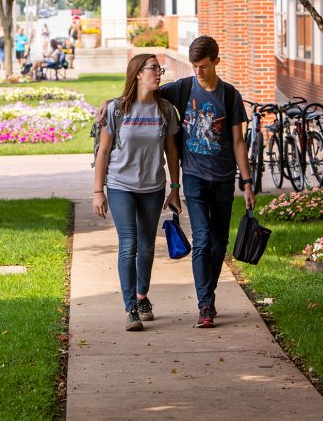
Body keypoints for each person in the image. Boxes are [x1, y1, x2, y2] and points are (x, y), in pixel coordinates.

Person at [95, 36, 255, 328]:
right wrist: (109, 103)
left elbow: (234, 142)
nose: (198, 72)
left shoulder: (223, 97)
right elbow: (132, 102)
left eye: (203, 66)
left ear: (216, 62)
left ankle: (183, 295)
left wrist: (245, 182)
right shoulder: (176, 91)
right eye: (194, 66)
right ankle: (199, 304)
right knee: (197, 239)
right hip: (168, 179)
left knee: (215, 244)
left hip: (205, 181)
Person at [93, 53, 181, 331]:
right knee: (129, 243)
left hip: (153, 187)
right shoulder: (116, 110)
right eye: (154, 68)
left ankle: (142, 296)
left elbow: (172, 152)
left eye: (160, 68)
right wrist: (98, 191)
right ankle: (130, 306)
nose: (159, 73)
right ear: (138, 73)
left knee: (146, 245)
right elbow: (103, 151)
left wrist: (175, 188)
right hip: (120, 185)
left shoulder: (165, 110)